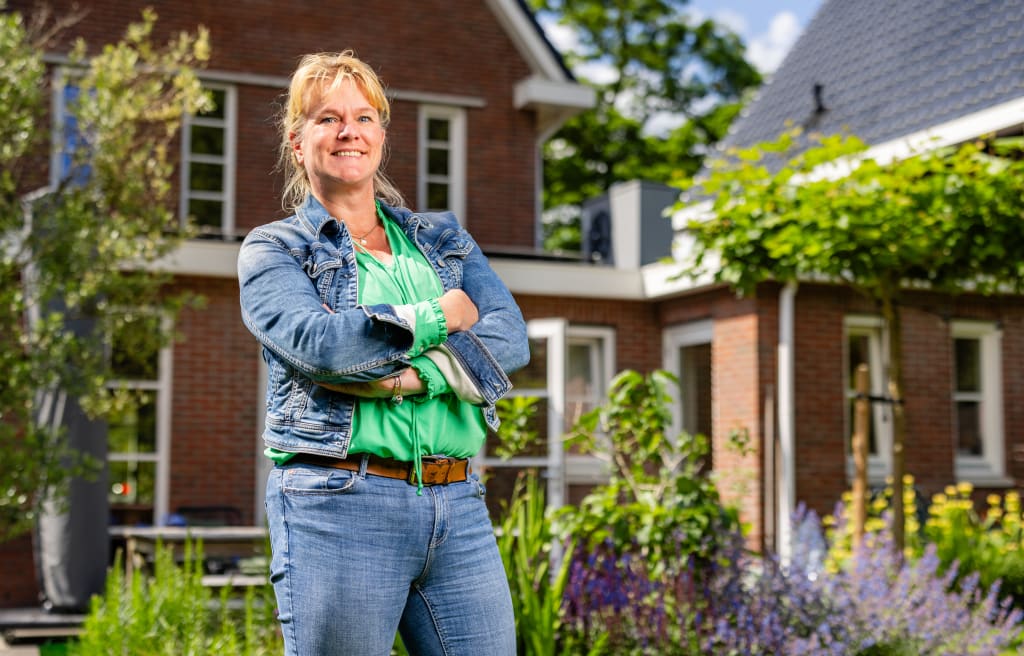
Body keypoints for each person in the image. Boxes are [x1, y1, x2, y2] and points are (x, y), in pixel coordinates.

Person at [237, 51, 529, 656]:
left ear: (381, 134)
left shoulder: (441, 239)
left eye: (364, 117)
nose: (349, 131)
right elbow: (325, 349)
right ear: (298, 142)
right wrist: (440, 316)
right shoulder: (274, 250)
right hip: (338, 505)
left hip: (456, 501)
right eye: (327, 119)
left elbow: (509, 336)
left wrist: (408, 379)